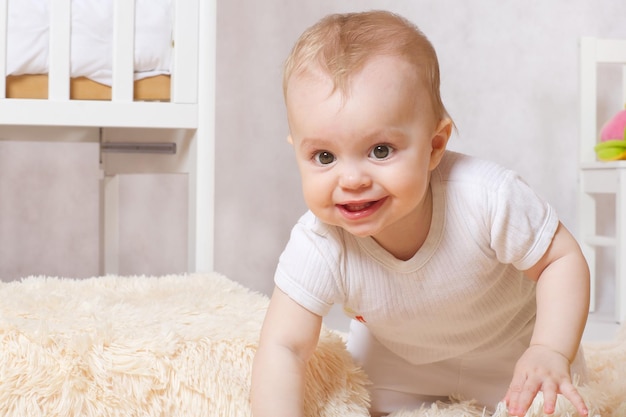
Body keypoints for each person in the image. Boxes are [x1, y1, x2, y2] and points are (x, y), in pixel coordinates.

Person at [251, 10, 590, 417]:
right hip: (399, 364)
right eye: (324, 156)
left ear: (434, 145)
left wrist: (550, 349)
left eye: (380, 150)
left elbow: (561, 259)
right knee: (352, 401)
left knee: (554, 407)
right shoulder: (320, 242)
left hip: (514, 354)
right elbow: (284, 345)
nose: (352, 179)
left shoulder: (486, 197)